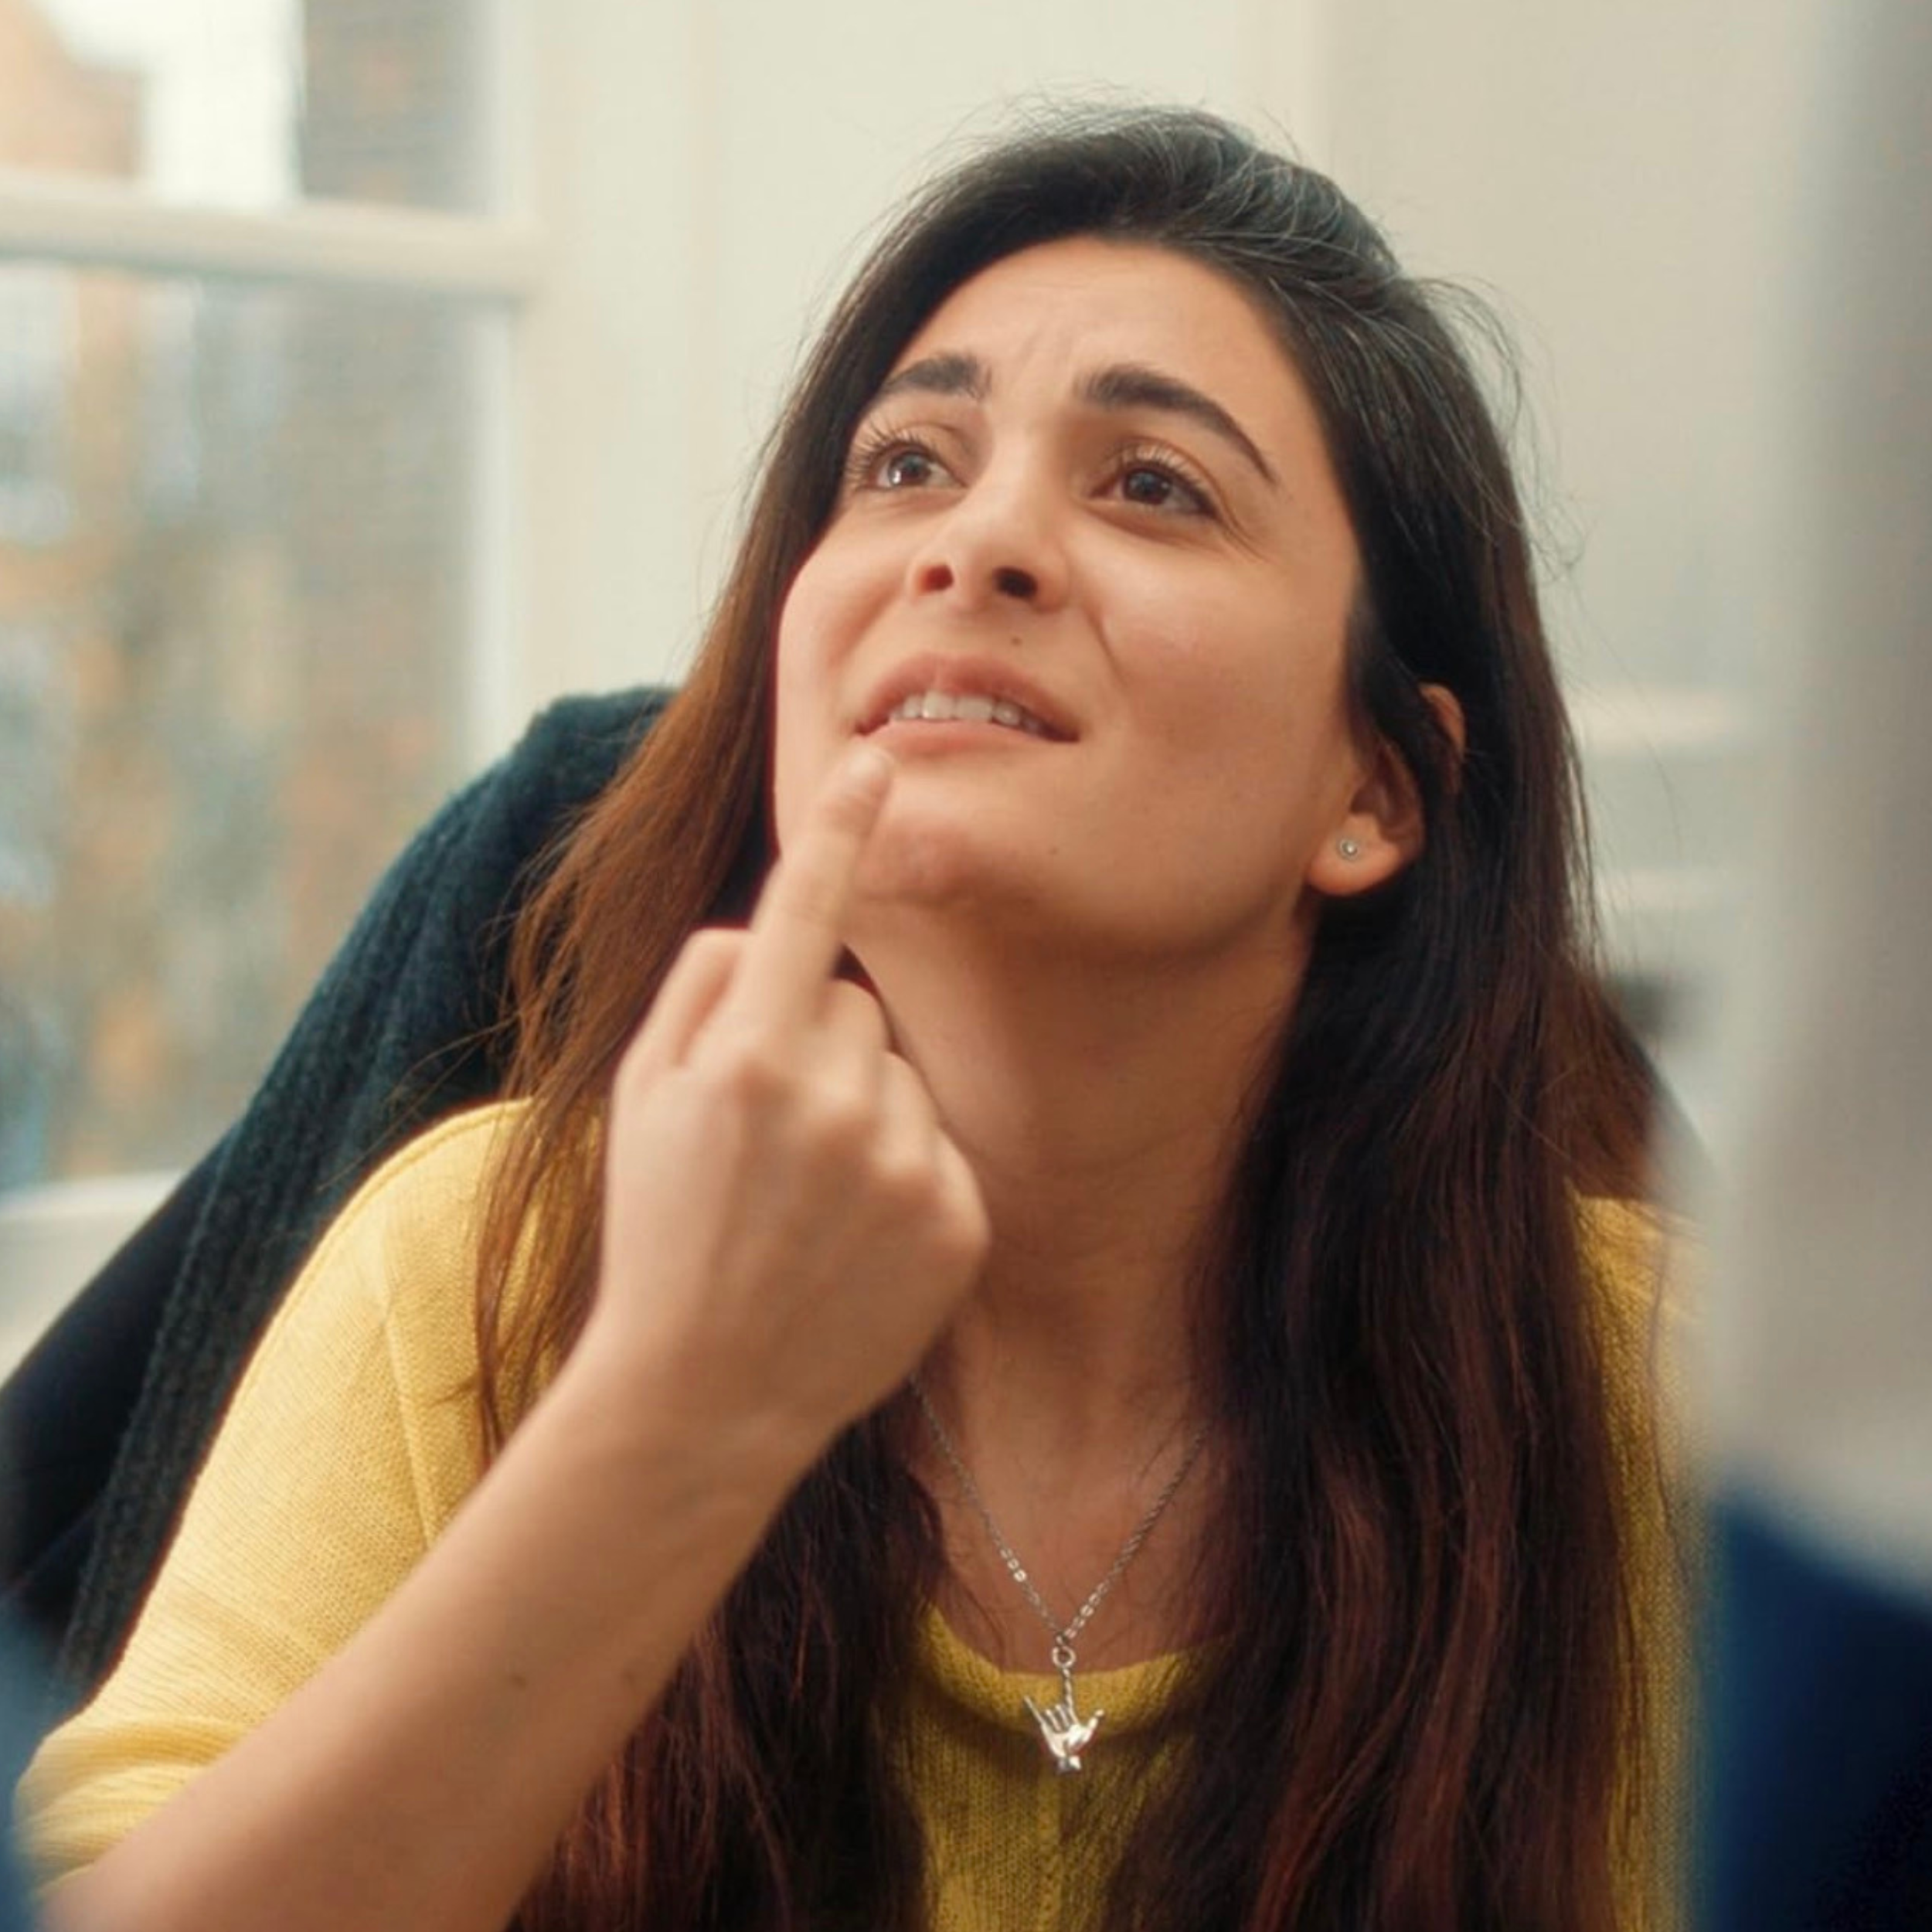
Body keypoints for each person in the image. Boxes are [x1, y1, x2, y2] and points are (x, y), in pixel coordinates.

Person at [15, 107, 1682, 1931]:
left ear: (1373, 786)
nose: (976, 543)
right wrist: (674, 1407)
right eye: (903, 464)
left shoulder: (1658, 1389)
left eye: (1151, 485)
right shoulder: (473, 1266)